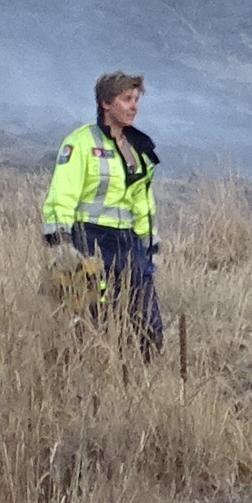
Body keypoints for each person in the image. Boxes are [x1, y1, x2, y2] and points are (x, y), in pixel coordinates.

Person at [41, 71, 163, 354]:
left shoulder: (138, 148)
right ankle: (92, 378)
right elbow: (62, 194)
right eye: (126, 99)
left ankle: (140, 382)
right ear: (106, 104)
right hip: (90, 241)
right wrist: (61, 243)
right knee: (94, 320)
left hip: (129, 244)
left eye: (136, 99)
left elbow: (142, 202)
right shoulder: (80, 143)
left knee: (149, 325)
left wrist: (149, 243)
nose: (134, 106)